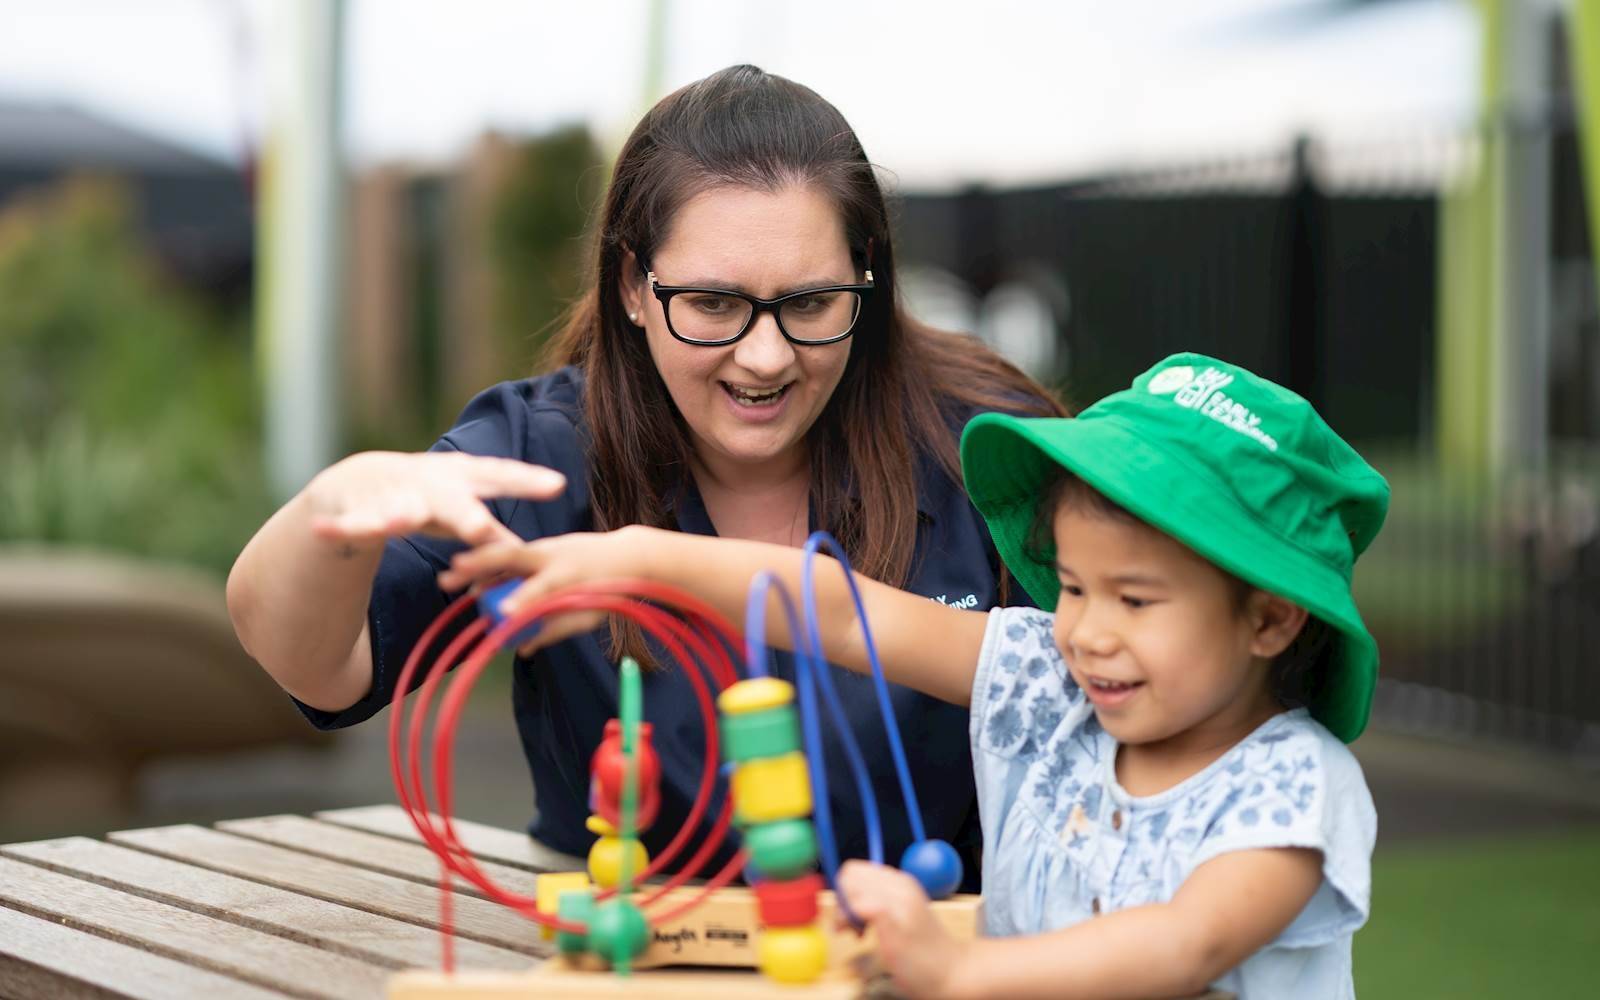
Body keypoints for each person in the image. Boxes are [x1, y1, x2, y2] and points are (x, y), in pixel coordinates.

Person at [225, 64, 1063, 884]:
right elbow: (320, 668)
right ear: (633, 284)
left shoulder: (986, 444)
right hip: (619, 957)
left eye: (810, 304)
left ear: (867, 277)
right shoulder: (539, 452)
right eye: (713, 304)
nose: (765, 356)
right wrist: (331, 511)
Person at [441, 352, 1389, 999]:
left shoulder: (1291, 787)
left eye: (1135, 602)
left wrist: (963, 972)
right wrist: (641, 559)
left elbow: (1189, 946)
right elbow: (839, 609)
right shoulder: (1048, 689)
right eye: (1069, 586)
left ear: (1269, 616)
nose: (1089, 632)